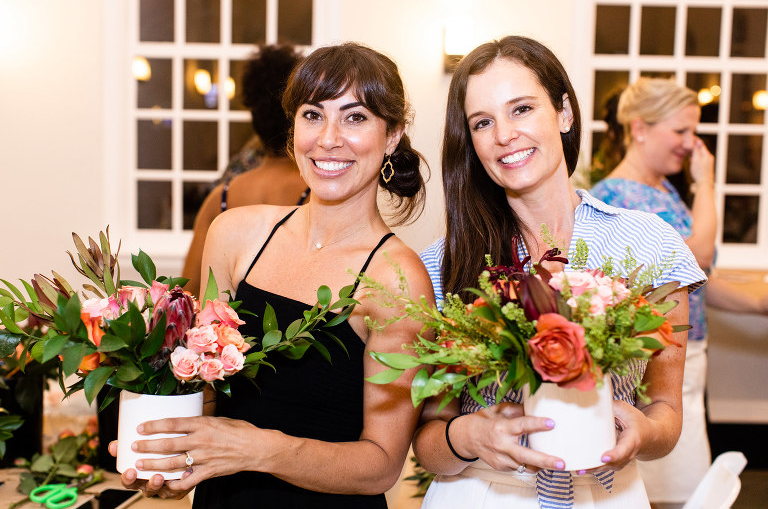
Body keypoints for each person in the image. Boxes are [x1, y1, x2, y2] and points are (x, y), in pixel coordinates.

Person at [111, 42, 434, 507]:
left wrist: (256, 449)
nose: (328, 138)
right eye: (312, 114)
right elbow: (206, 390)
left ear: (393, 135)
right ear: (293, 128)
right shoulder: (234, 234)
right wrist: (171, 455)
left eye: (355, 117)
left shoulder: (398, 281)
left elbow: (380, 465)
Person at [414, 36, 706, 508]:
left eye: (522, 109)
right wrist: (468, 437)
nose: (504, 134)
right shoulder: (443, 265)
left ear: (564, 112)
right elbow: (429, 443)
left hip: (609, 495)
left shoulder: (651, 245)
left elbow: (666, 410)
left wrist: (645, 432)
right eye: (482, 122)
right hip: (482, 493)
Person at [589, 77, 760, 507]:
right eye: (681, 131)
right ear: (640, 128)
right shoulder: (614, 197)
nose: (691, 144)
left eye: (694, 131)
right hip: (651, 370)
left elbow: (692, 282)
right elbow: (699, 255)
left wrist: (758, 304)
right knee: (678, 495)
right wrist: (706, 183)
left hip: (691, 361)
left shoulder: (664, 192)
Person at [181, 44, 309, 297]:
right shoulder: (318, 195)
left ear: (254, 117)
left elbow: (187, 294)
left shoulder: (220, 198)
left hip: (228, 335)